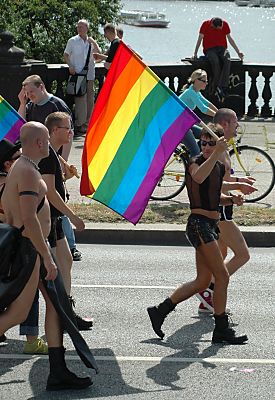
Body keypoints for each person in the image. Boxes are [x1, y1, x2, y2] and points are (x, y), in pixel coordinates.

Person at [0, 122, 92, 390]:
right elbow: (29, 218)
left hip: (33, 249)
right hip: (31, 251)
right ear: (40, 142)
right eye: (47, 141)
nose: (50, 145)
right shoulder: (27, 171)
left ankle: (58, 370)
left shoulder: (24, 168)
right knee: (17, 314)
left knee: (57, 305)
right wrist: (47, 257)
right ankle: (58, 370)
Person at [147, 124, 248, 345]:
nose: (206, 147)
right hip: (198, 225)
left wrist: (232, 199)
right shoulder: (196, 162)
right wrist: (215, 154)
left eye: (212, 143)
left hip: (210, 225)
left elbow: (214, 198)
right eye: (203, 143)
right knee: (221, 276)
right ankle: (221, 328)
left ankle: (159, 310)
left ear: (221, 142)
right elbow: (199, 178)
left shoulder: (218, 166)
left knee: (202, 281)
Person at [196, 108, 256, 313]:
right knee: (243, 255)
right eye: (235, 122)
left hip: (223, 210)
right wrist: (236, 188)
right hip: (220, 213)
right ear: (225, 124)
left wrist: (241, 181)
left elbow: (223, 178)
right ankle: (210, 290)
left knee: (221, 254)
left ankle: (206, 301)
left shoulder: (222, 148)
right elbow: (215, 185)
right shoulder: (218, 150)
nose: (238, 125)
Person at [39, 111, 93, 330]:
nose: (72, 131)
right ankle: (60, 317)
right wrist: (73, 217)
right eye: (67, 127)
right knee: (49, 272)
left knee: (66, 262)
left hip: (54, 219)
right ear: (53, 131)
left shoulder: (52, 152)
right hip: (49, 219)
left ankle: (66, 314)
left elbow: (52, 183)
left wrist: (66, 176)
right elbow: (49, 191)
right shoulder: (48, 153)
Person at [64, 19, 101, 135]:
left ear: (87, 28)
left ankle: (88, 123)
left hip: (90, 73)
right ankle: (80, 124)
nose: (79, 28)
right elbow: (66, 54)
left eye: (81, 27)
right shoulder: (73, 41)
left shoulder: (90, 42)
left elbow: (98, 55)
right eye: (78, 26)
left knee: (90, 99)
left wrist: (94, 42)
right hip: (78, 73)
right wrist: (70, 66)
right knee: (80, 99)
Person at [193, 17, 244, 99]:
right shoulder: (205, 24)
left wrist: (238, 52)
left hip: (222, 48)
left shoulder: (225, 24)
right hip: (209, 49)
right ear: (213, 25)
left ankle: (222, 86)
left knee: (227, 60)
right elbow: (200, 39)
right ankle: (215, 85)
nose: (220, 29)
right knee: (215, 61)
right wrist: (195, 53)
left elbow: (230, 39)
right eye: (218, 29)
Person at [179, 69, 218, 157]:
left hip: (186, 123)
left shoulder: (196, 92)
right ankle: (192, 169)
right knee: (195, 151)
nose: (206, 83)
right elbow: (203, 109)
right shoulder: (190, 92)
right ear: (196, 80)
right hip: (179, 125)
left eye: (206, 81)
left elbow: (207, 103)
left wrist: (219, 112)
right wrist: (218, 116)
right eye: (204, 81)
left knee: (206, 135)